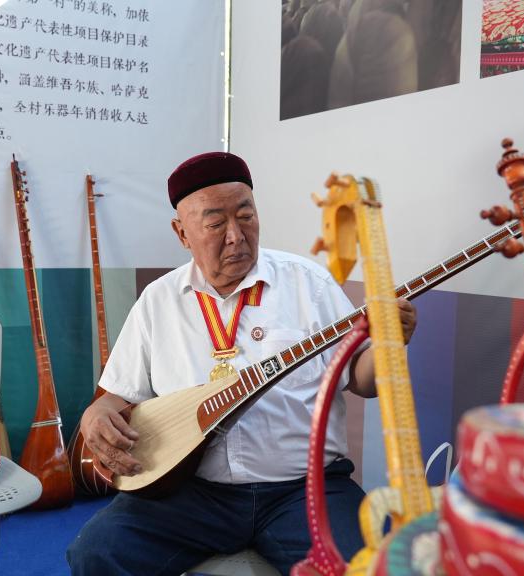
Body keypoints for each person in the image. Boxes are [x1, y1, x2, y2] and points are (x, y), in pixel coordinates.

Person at [66, 151, 417, 575]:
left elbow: (363, 380)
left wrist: (389, 345)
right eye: (215, 224)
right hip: (192, 492)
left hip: (306, 489)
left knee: (364, 566)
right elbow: (115, 395)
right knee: (96, 552)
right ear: (182, 233)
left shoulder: (308, 283)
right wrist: (96, 415)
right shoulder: (158, 301)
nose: (236, 236)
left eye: (246, 216)